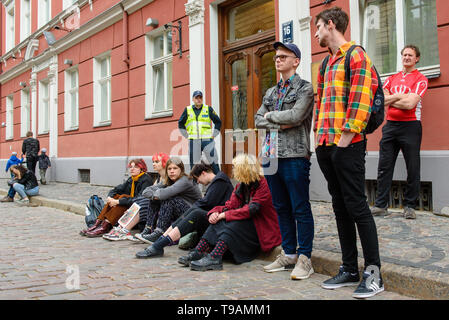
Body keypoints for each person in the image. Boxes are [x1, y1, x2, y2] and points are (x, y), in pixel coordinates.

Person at [313, 7, 383, 298]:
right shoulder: (325, 65)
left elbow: (360, 101)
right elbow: (321, 105)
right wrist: (319, 140)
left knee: (357, 207)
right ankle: (349, 268)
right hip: (326, 145)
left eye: (318, 27)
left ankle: (374, 273)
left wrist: (343, 143)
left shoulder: (356, 55)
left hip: (348, 145)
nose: (316, 33)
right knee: (340, 207)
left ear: (331, 25)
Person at [255, 41, 315, 280]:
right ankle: (288, 253)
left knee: (300, 207)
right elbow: (258, 119)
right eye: (276, 56)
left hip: (294, 155)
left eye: (283, 56)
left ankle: (305, 258)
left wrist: (272, 116)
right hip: (270, 156)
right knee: (280, 207)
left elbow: (297, 116)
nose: (277, 59)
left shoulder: (304, 88)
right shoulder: (271, 92)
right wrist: (279, 119)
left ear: (296, 61)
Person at [179, 154, 281, 271]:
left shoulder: (264, 185)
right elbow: (230, 205)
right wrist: (215, 213)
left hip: (261, 227)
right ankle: (198, 251)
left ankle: (215, 257)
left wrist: (225, 215)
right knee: (218, 222)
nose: (233, 170)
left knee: (234, 224)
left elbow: (251, 210)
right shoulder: (241, 185)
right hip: (248, 224)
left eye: (235, 167)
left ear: (245, 169)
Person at [370, 45, 428, 220]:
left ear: (416, 58)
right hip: (391, 126)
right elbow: (380, 101)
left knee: (413, 166)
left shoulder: (421, 79)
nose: (407, 57)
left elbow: (410, 104)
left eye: (410, 55)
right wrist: (399, 97)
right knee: (384, 166)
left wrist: (391, 98)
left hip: (411, 126)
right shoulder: (391, 78)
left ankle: (410, 206)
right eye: (404, 54)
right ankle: (381, 205)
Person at [135, 162, 234, 258]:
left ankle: (159, 244)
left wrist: (191, 211)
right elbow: (207, 203)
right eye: (169, 169)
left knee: (194, 212)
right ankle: (159, 242)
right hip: (214, 216)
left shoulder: (220, 181)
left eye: (197, 179)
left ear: (203, 173)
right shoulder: (217, 182)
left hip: (221, 219)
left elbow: (207, 203)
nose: (198, 182)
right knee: (192, 211)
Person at [132, 157, 202, 246]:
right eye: (169, 169)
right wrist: (155, 195)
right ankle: (148, 229)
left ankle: (159, 233)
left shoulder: (185, 180)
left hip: (192, 213)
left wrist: (156, 194)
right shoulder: (168, 180)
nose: (172, 171)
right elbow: (145, 191)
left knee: (168, 198)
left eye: (175, 168)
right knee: (154, 200)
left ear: (181, 170)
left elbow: (163, 195)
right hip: (179, 211)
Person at [101, 152, 170, 241]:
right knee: (121, 196)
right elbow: (118, 189)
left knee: (135, 199)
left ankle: (122, 229)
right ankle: (103, 224)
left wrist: (121, 202)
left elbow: (148, 195)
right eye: (153, 162)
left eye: (157, 162)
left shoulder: (148, 179)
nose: (153, 164)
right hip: (146, 204)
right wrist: (111, 197)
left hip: (158, 206)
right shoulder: (155, 178)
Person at [81, 158, 153, 237]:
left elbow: (140, 199)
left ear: (142, 169)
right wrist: (110, 198)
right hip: (131, 206)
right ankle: (98, 224)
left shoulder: (146, 180)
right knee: (116, 196)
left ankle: (105, 226)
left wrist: (119, 201)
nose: (132, 169)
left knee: (123, 197)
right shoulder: (131, 179)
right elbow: (116, 189)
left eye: (135, 167)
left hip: (139, 211)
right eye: (131, 167)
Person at [178, 90, 221, 174]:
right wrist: (186, 135)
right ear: (193, 99)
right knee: (194, 165)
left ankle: (219, 180)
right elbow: (180, 123)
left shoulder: (208, 109)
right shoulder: (187, 110)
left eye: (200, 97)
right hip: (194, 141)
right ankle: (194, 185)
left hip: (207, 140)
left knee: (213, 161)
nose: (198, 99)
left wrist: (214, 135)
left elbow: (218, 122)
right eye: (196, 98)